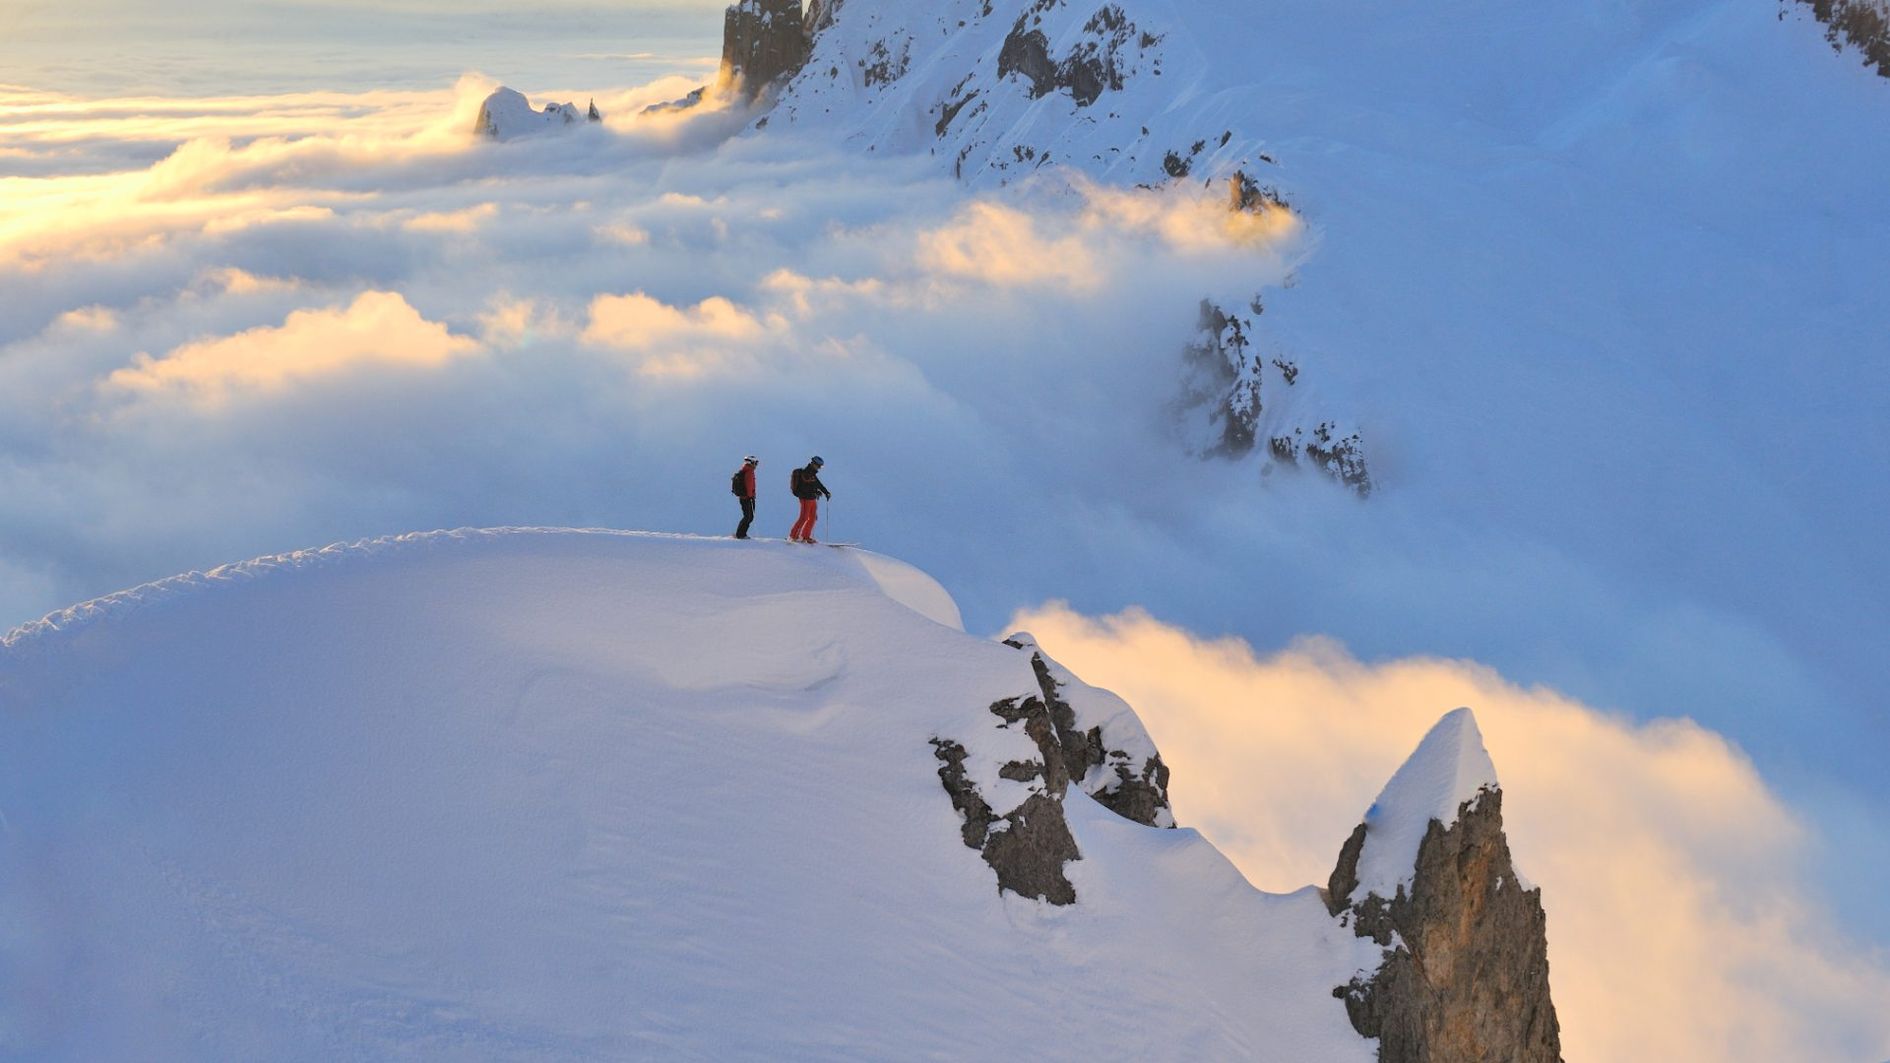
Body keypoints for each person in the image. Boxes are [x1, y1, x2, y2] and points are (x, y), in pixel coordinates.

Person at [788, 455, 831, 543]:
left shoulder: (812, 474)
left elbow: (818, 485)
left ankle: (805, 536)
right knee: (803, 517)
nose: (819, 468)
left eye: (820, 466)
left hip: (812, 499)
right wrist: (816, 491)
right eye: (819, 466)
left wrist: (825, 492)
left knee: (813, 518)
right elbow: (805, 487)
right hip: (805, 499)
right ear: (813, 464)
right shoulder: (805, 473)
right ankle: (793, 536)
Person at [731, 455, 759, 539]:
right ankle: (740, 534)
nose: (756, 465)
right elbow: (749, 485)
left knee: (748, 517)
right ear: (752, 462)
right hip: (748, 498)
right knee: (748, 517)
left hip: (744, 498)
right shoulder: (749, 472)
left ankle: (741, 534)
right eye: (756, 463)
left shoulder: (745, 470)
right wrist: (751, 496)